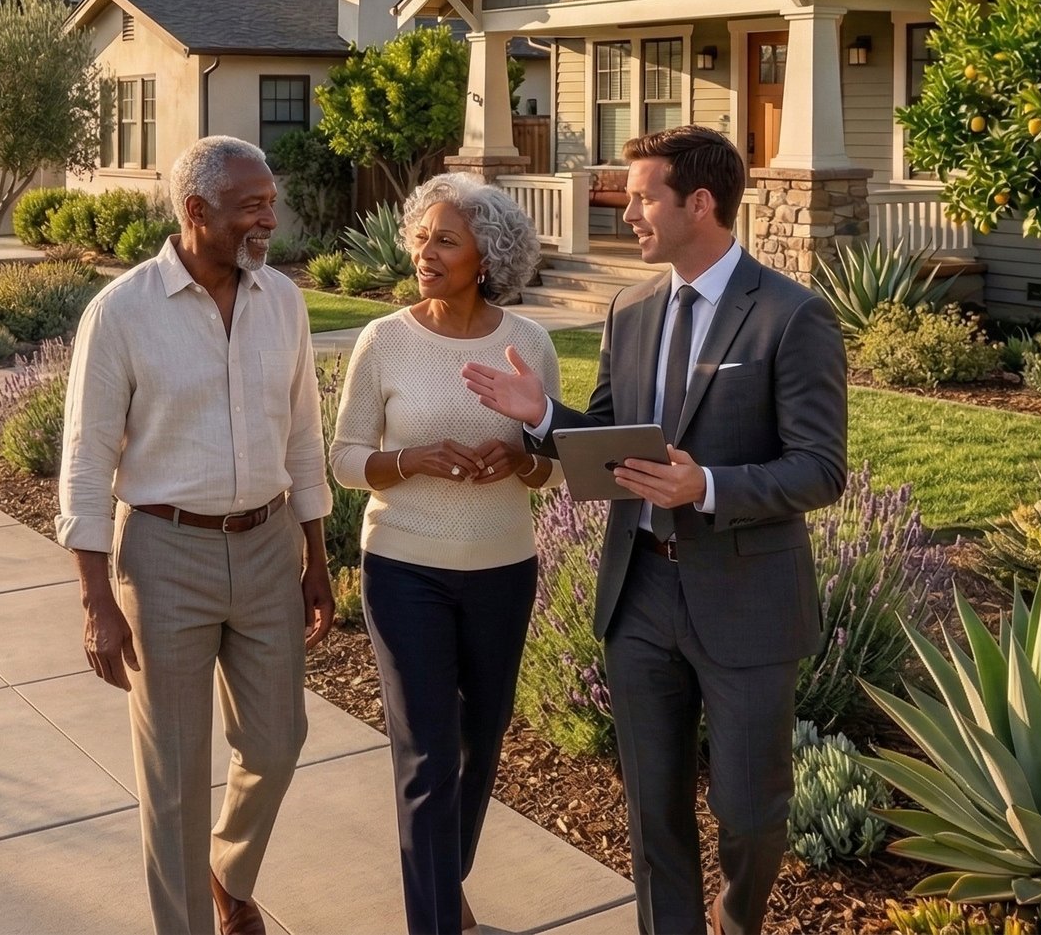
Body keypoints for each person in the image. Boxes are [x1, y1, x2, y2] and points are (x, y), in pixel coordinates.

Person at [463, 127, 847, 935]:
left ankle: (737, 917)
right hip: (639, 591)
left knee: (750, 812)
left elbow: (820, 469)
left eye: (641, 196)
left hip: (747, 603)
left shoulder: (791, 314)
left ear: (698, 203)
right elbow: (607, 439)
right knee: (652, 814)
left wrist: (705, 483)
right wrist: (541, 417)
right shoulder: (630, 307)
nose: (626, 209)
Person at [57, 135, 334, 935]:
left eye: (271, 202)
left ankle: (229, 870)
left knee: (278, 741)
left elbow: (304, 439)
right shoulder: (122, 312)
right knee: (175, 777)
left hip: (268, 544)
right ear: (195, 211)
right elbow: (84, 461)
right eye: (253, 206)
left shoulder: (281, 299)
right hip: (163, 554)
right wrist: (95, 598)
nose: (269, 219)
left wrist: (316, 557)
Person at [330, 174, 560, 935]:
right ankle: (434, 918)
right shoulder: (385, 339)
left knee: (480, 739)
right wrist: (415, 459)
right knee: (426, 755)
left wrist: (517, 463)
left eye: (445, 239)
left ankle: (441, 875)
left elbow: (551, 463)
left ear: (486, 257)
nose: (425, 252)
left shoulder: (528, 345)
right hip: (403, 566)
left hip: (501, 568)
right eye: (422, 236)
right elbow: (344, 457)